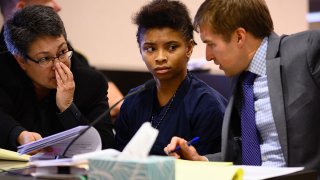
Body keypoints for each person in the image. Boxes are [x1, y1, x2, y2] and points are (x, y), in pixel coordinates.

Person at [164, 0, 320, 176]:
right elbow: (246, 153)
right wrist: (201, 161)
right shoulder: (241, 78)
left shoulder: (307, 49)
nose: (208, 56)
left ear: (239, 37)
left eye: (211, 44)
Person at [114, 0, 227, 156]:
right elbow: (118, 161)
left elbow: (214, 168)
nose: (160, 57)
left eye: (172, 47)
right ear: (140, 50)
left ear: (189, 48)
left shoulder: (208, 106)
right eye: (150, 48)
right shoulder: (132, 101)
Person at [0, 5, 115, 152]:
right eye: (45, 59)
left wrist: (67, 108)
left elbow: (105, 145)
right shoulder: (4, 73)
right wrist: (18, 134)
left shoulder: (91, 83)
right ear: (21, 60)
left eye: (62, 51)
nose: (58, 65)